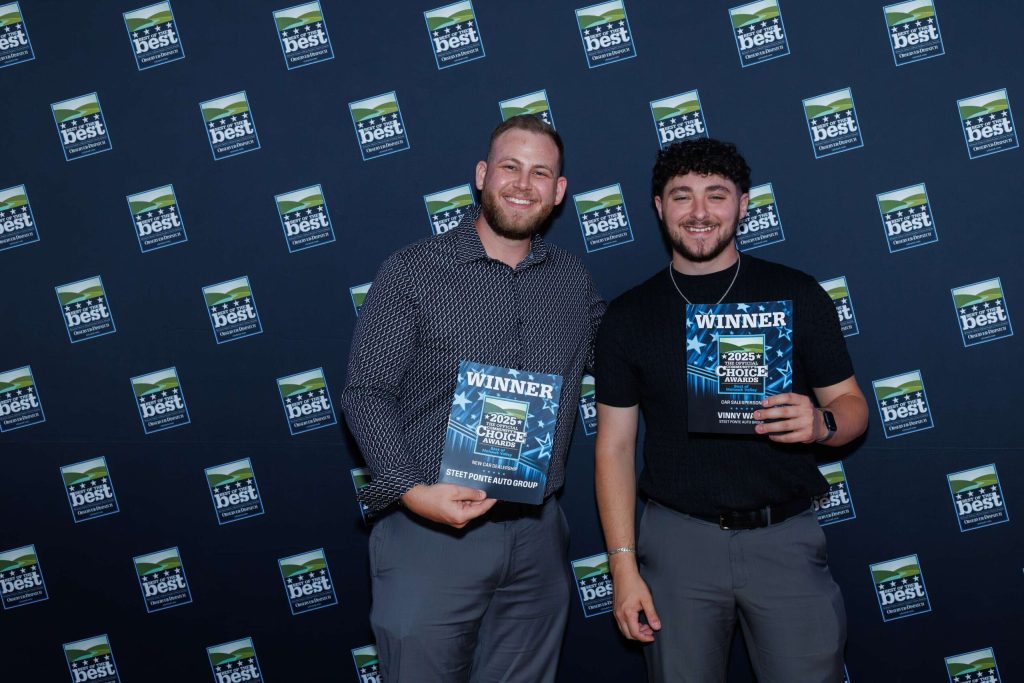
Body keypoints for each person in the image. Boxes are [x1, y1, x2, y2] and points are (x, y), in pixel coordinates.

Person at [341, 114, 605, 683]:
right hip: (429, 534)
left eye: (541, 173)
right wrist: (413, 493)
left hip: (536, 537)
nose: (522, 183)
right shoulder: (414, 270)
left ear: (558, 193)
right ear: (483, 175)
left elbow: (625, 359)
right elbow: (365, 393)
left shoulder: (572, 281)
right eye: (510, 167)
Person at [594, 138, 868, 683]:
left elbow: (853, 406)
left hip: (784, 538)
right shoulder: (627, 317)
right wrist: (623, 567)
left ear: (743, 205)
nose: (699, 213)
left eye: (716, 195)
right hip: (677, 546)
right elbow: (615, 446)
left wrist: (822, 423)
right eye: (682, 196)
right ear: (658, 206)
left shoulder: (797, 293)